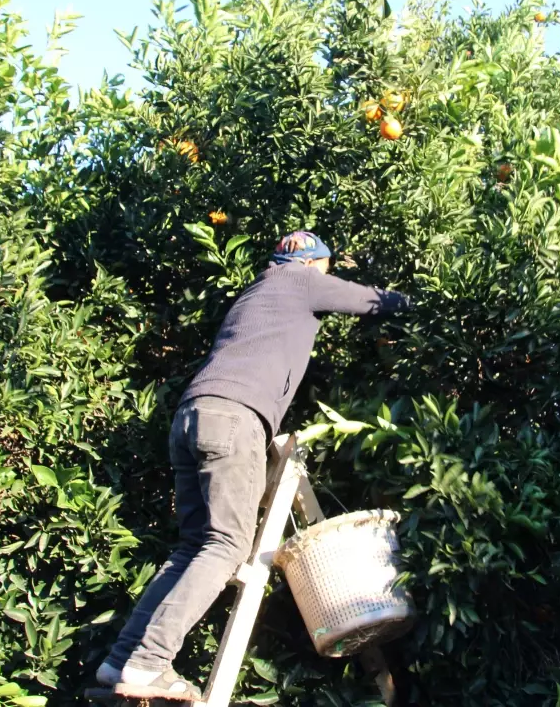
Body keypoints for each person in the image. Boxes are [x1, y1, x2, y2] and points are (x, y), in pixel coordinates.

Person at [97, 230, 412, 699]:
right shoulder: (300, 281)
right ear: (313, 263)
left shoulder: (258, 290)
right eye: (326, 267)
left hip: (191, 417)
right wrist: (424, 302)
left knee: (193, 548)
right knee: (226, 546)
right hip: (233, 418)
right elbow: (369, 301)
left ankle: (122, 659)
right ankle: (147, 661)